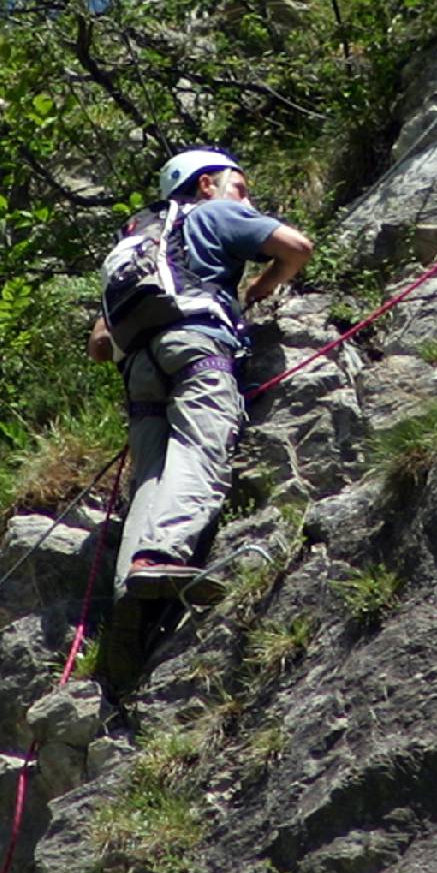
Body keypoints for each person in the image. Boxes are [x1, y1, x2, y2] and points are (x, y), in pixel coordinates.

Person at [97, 147, 312, 604]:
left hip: (139, 367)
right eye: (239, 187)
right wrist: (259, 287)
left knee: (149, 478)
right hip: (197, 345)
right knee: (198, 447)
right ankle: (158, 558)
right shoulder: (214, 212)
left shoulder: (135, 239)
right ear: (204, 184)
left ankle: (125, 596)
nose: (246, 201)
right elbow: (296, 249)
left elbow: (99, 344)